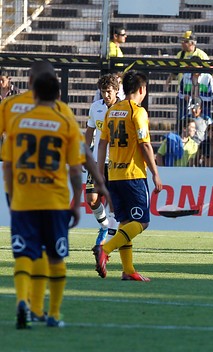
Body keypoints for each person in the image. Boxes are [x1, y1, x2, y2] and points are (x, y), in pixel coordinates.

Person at [0, 60, 109, 324]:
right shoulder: (63, 115)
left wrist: (11, 193)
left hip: (22, 194)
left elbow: (9, 163)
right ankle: (49, 312)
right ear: (56, 91)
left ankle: (25, 303)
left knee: (26, 252)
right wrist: (90, 186)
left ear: (31, 84)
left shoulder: (13, 112)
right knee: (55, 254)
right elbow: (77, 162)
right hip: (55, 197)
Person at [93, 70, 162, 281]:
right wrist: (156, 174)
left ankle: (128, 269)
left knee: (124, 221)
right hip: (133, 175)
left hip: (113, 174)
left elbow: (102, 142)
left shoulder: (111, 111)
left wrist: (99, 169)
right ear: (142, 89)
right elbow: (145, 145)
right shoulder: (137, 112)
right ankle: (105, 249)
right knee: (142, 222)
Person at [85, 74, 121, 246]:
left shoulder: (123, 109)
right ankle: (105, 226)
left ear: (116, 91)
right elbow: (90, 131)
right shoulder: (95, 107)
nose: (106, 95)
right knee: (91, 198)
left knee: (113, 201)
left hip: (116, 161)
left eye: (108, 92)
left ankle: (111, 240)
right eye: (103, 92)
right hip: (97, 161)